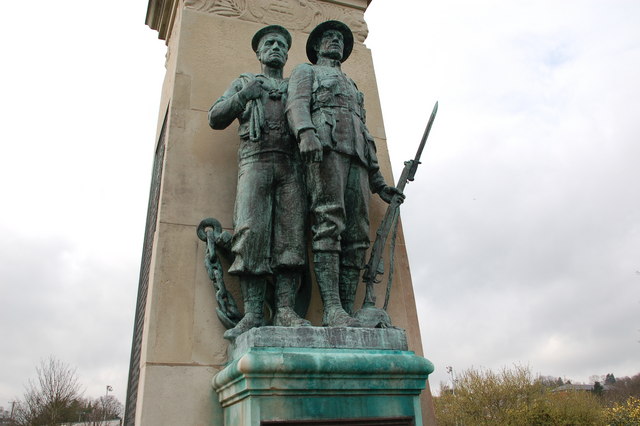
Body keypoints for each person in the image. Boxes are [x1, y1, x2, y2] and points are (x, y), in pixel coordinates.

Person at [286, 21, 403, 327]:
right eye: (329, 38)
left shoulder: (353, 86)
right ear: (317, 46)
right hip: (325, 150)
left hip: (358, 159)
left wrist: (378, 182)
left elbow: (365, 131)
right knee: (329, 222)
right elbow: (296, 105)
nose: (335, 41)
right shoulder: (306, 72)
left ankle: (348, 311)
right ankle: (332, 308)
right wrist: (305, 133)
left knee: (358, 234)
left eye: (339, 39)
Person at [208, 25, 310, 340]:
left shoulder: (297, 86)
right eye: (270, 43)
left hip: (292, 167)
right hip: (255, 163)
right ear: (259, 52)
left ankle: (285, 310)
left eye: (282, 43)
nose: (276, 47)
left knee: (291, 239)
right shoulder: (245, 82)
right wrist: (244, 96)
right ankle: (252, 314)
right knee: (251, 235)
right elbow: (215, 116)